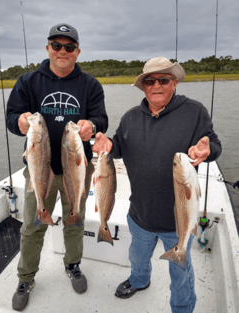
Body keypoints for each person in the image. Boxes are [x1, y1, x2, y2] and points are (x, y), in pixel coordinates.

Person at [93, 57, 222, 313]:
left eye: (164, 79)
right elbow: (118, 146)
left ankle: (182, 307)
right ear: (143, 86)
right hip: (140, 214)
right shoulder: (130, 118)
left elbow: (214, 144)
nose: (156, 85)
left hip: (178, 222)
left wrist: (208, 150)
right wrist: (108, 144)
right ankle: (140, 281)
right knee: (137, 259)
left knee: (181, 274)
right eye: (150, 81)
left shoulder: (194, 112)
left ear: (173, 83)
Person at [6, 23, 108, 311]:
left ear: (77, 51)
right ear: (48, 47)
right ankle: (26, 278)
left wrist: (93, 125)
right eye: (57, 45)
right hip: (39, 168)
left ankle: (72, 265)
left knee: (75, 219)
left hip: (77, 168)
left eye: (69, 47)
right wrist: (21, 122)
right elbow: (11, 117)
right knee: (32, 226)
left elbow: (101, 118)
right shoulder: (27, 82)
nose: (63, 51)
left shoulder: (90, 85)